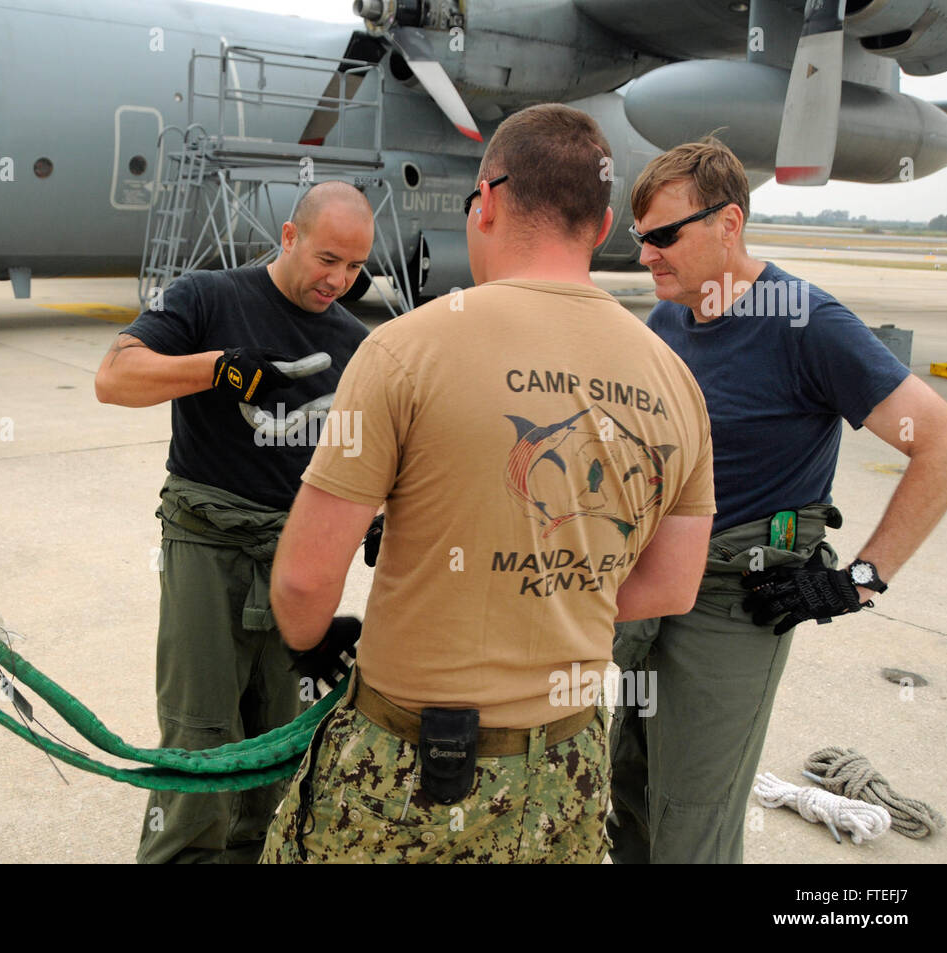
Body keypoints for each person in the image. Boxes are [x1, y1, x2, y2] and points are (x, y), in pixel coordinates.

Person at [258, 103, 717, 865]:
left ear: (490, 201)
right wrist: (554, 589)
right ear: (602, 228)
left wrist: (310, 642)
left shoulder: (403, 350)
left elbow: (305, 580)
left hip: (410, 768)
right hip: (567, 769)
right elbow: (673, 584)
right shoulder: (676, 380)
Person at [607, 137, 947, 864]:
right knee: (630, 794)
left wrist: (859, 580)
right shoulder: (672, 318)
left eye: (664, 237)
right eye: (641, 239)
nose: (647, 257)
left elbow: (943, 442)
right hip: (652, 592)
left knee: (690, 822)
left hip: (734, 605)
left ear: (728, 223)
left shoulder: (807, 322)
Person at [94, 180, 375, 864]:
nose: (337, 279)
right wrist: (218, 369)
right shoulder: (205, 295)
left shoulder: (356, 343)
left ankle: (258, 851)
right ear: (289, 236)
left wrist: (376, 517)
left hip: (296, 554)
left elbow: (366, 449)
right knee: (199, 733)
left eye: (354, 267)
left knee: (282, 738)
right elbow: (114, 376)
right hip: (206, 538)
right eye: (327, 258)